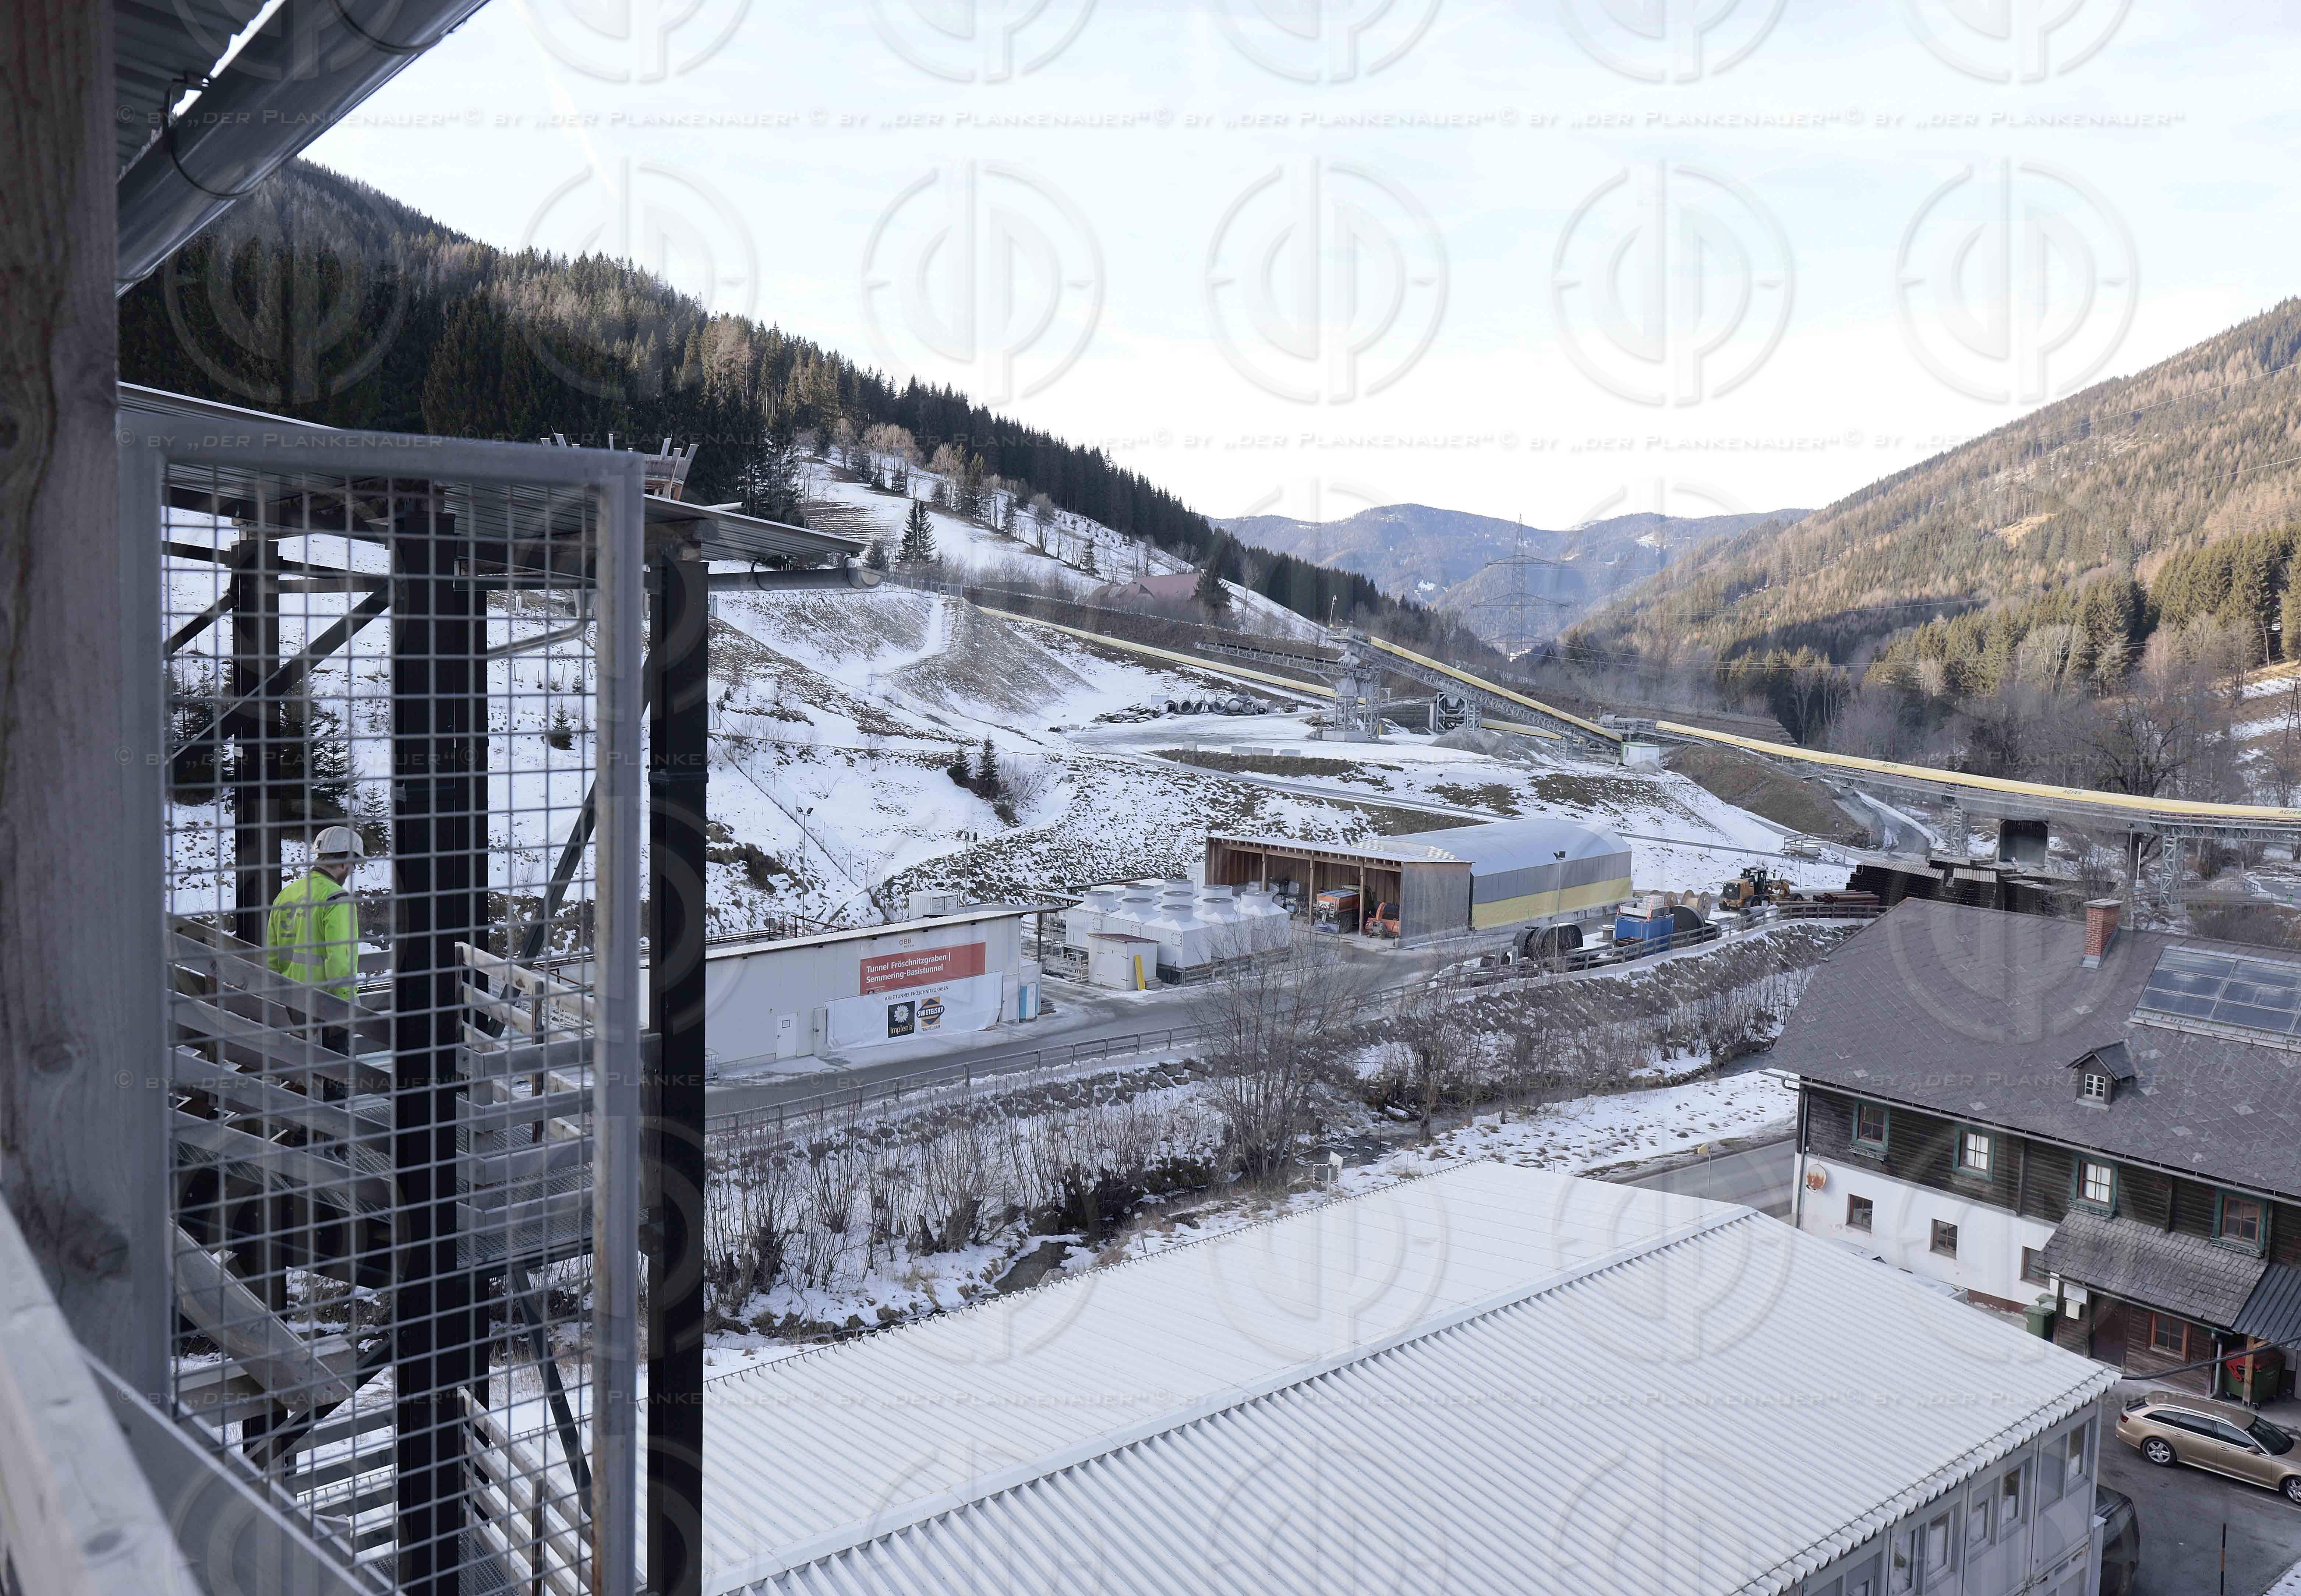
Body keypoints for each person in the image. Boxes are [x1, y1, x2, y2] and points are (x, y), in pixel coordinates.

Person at [268, 826, 365, 1056]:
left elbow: (272, 956)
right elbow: (340, 960)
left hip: (292, 1003)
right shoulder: (336, 898)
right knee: (334, 1076)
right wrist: (347, 1003)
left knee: (302, 1073)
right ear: (345, 862)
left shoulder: (287, 895)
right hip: (325, 1006)